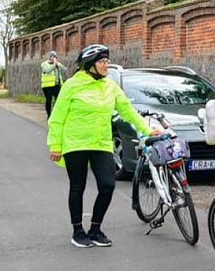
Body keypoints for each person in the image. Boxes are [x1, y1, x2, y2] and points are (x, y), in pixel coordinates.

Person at [47, 44, 152, 248]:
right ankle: (78, 230)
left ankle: (95, 228)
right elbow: (57, 117)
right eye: (102, 61)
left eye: (107, 61)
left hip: (101, 143)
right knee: (78, 187)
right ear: (90, 65)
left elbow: (128, 111)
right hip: (75, 143)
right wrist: (55, 144)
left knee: (107, 185)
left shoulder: (110, 86)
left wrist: (147, 130)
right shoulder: (71, 85)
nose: (106, 65)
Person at [41, 51, 67, 118]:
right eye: (52, 56)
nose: (54, 58)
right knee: (49, 100)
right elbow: (47, 70)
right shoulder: (44, 64)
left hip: (57, 85)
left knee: (58, 101)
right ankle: (49, 115)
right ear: (49, 57)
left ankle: (57, 114)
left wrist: (58, 64)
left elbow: (65, 69)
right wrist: (54, 64)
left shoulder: (57, 64)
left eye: (55, 56)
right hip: (47, 86)